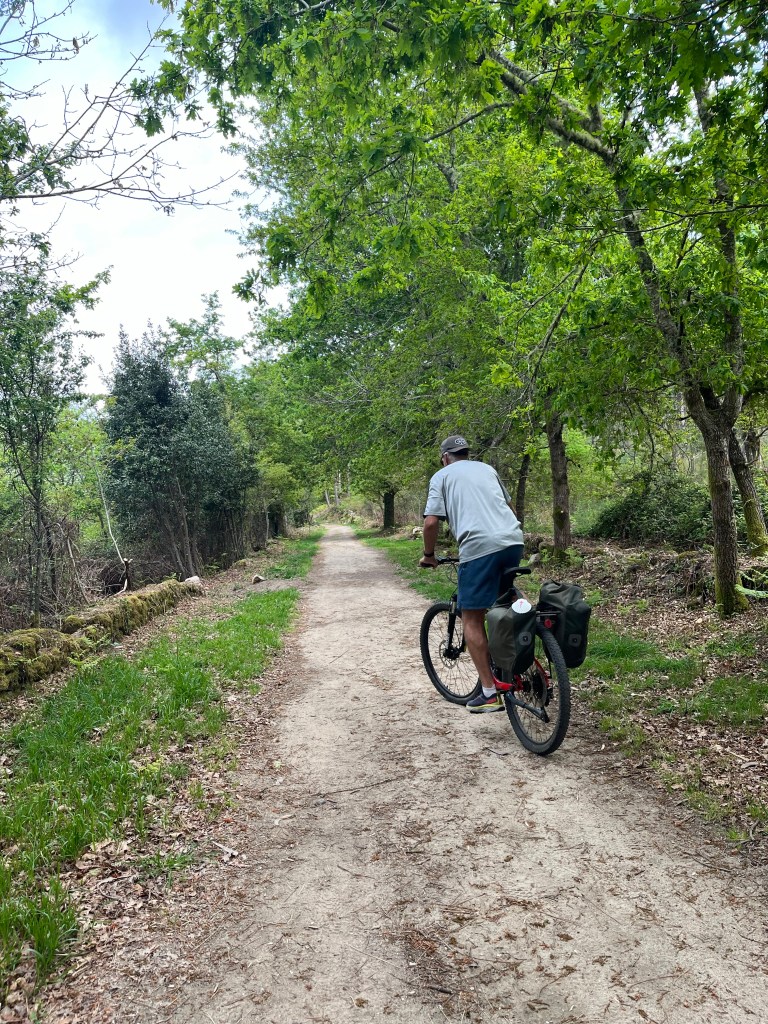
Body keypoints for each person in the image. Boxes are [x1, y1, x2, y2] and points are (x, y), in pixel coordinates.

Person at [419, 434, 525, 712]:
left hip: (479, 548)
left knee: (472, 618)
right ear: (466, 453)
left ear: (445, 458)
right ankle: (531, 644)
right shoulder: (488, 469)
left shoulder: (442, 476)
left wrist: (429, 555)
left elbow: (431, 523)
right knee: (507, 599)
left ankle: (489, 693)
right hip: (513, 540)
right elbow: (509, 508)